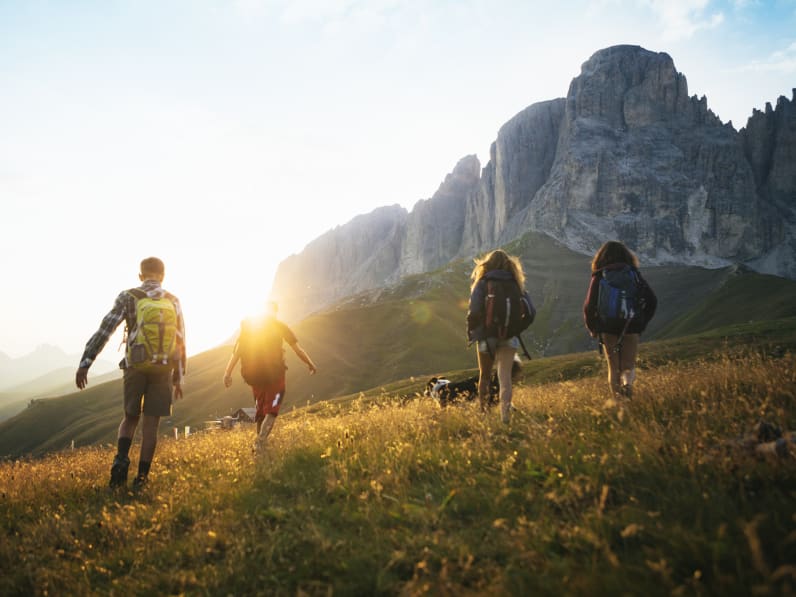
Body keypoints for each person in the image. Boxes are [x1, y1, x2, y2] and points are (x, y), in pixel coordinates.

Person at [75, 257, 186, 490]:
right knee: (151, 425)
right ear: (163, 276)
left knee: (130, 417)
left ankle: (121, 462)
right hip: (164, 368)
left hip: (135, 365)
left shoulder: (129, 296)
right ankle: (142, 479)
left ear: (140, 275)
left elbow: (106, 329)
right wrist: (179, 376)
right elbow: (180, 340)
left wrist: (86, 361)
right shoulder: (173, 300)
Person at [223, 301, 317, 452]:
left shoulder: (250, 328)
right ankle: (260, 443)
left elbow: (237, 352)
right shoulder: (280, 326)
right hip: (276, 376)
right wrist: (310, 364)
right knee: (272, 410)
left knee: (260, 412)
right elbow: (297, 349)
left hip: (254, 377)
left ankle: (260, 447)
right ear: (275, 311)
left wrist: (227, 373)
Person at [466, 249, 535, 424]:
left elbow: (474, 310)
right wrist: (516, 328)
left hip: (485, 337)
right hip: (509, 336)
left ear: (487, 264)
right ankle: (505, 416)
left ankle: (484, 415)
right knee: (505, 377)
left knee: (485, 376)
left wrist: (474, 331)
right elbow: (531, 311)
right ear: (509, 265)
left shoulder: (483, 282)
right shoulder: (516, 283)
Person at [583, 240, 657, 398]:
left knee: (614, 368)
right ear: (626, 256)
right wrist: (641, 322)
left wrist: (593, 328)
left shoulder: (599, 275)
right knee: (628, 366)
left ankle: (619, 403)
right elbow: (652, 300)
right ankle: (627, 385)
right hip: (631, 325)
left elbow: (589, 305)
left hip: (608, 327)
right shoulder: (633, 274)